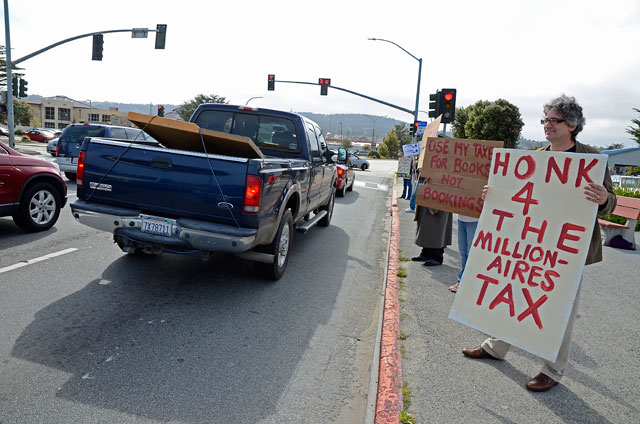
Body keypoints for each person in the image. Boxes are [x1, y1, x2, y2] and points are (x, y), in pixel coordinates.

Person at [461, 94, 617, 391]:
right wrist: (493, 197)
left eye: (553, 121)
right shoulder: (534, 158)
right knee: (512, 293)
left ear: (572, 125)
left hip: (567, 250)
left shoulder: (592, 160)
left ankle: (553, 370)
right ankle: (496, 347)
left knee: (560, 309)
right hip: (530, 244)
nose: (547, 126)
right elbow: (518, 198)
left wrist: (605, 199)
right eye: (544, 120)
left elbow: (610, 202)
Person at [449, 214, 479, 293]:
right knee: (463, 252)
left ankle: (468, 283)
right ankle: (461, 281)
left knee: (471, 253)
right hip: (461, 218)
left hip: (475, 220)